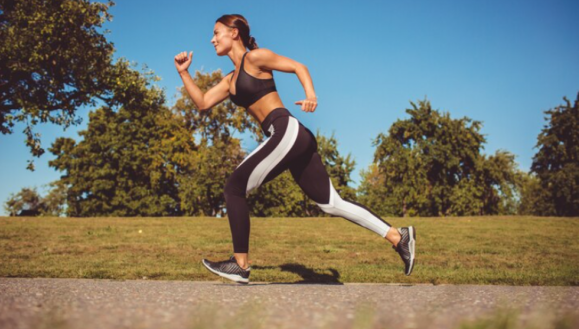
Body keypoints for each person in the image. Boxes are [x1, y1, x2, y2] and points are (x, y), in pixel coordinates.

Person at [174, 14, 416, 284]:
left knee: (234, 187)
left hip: (286, 129)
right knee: (331, 204)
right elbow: (203, 102)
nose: (212, 39)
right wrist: (184, 73)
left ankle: (240, 264)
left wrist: (311, 95)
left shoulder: (255, 58)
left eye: (217, 32)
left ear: (234, 33)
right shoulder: (230, 81)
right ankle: (399, 237)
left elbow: (299, 67)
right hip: (292, 138)